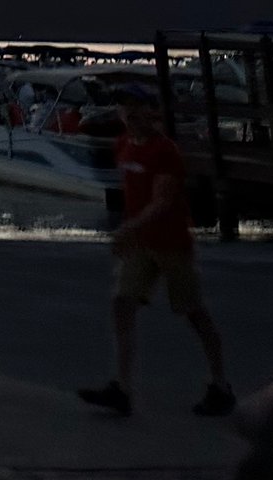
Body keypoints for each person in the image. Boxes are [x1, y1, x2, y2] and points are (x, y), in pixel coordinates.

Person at [78, 86, 233, 418]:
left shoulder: (165, 152)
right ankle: (121, 388)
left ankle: (220, 385)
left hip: (172, 243)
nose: (131, 113)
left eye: (137, 106)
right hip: (140, 243)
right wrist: (129, 228)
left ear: (152, 111)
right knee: (122, 303)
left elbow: (163, 202)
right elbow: (132, 195)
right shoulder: (122, 145)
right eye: (125, 106)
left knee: (193, 312)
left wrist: (127, 229)